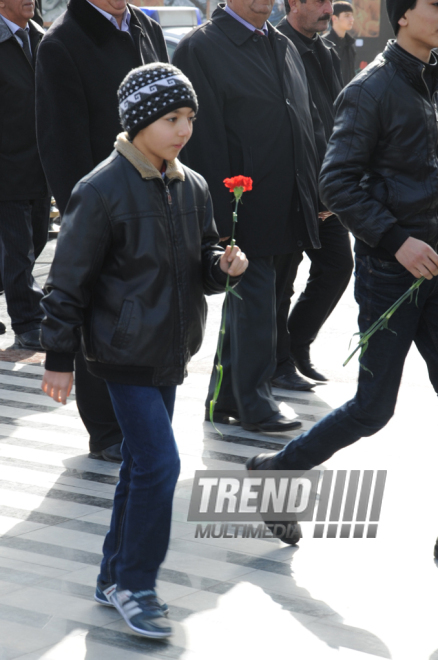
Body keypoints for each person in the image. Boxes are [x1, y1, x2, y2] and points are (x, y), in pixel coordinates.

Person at [39, 63, 248, 638]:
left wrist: (222, 265)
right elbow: (68, 281)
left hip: (170, 351)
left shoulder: (195, 186)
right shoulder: (101, 189)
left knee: (139, 465)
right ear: (136, 123)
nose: (183, 129)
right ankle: (137, 584)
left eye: (189, 118)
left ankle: (112, 576)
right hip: (119, 354)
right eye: (170, 119)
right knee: (160, 463)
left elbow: (202, 259)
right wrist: (58, 358)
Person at [247, 0, 438, 479]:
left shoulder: (432, 80)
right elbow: (336, 183)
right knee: (373, 409)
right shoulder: (371, 88)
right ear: (404, 15)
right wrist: (397, 241)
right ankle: (280, 467)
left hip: (433, 261)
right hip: (392, 271)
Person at [173, 0, 326, 432]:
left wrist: (315, 188)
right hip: (241, 206)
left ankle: (223, 400)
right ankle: (255, 403)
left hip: (287, 200)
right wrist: (218, 221)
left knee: (261, 304)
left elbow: (305, 121)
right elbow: (199, 141)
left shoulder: (280, 43)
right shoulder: (200, 47)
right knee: (254, 305)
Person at [36, 0, 169, 462]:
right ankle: (106, 429)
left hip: (155, 192)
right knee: (100, 310)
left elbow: (171, 108)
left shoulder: (146, 26)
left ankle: (142, 415)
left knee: (145, 300)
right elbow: (60, 142)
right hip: (103, 202)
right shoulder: (62, 41)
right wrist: (85, 213)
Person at [273, 0, 353, 387]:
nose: (327, 9)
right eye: (318, 2)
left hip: (329, 184)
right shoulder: (276, 45)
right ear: (293, 4)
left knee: (338, 265)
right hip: (291, 186)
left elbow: (335, 116)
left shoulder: (326, 49)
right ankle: (277, 362)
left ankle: (296, 344)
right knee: (280, 280)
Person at [0, 0, 50, 349]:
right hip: (6, 168)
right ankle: (28, 322)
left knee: (34, 242)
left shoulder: (44, 39)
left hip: (41, 166)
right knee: (18, 250)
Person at [328, 0, 356, 84]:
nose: (351, 19)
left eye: (352, 16)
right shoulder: (325, 44)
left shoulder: (349, 44)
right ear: (334, 18)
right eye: (347, 16)